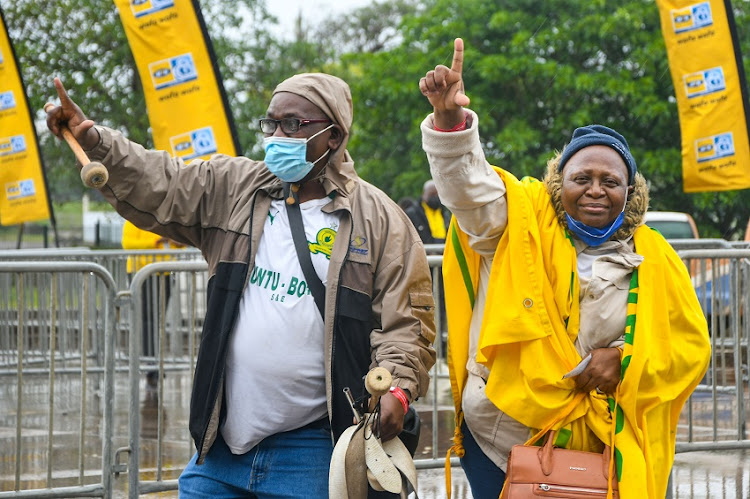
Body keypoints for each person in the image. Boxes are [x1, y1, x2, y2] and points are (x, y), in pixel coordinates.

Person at [47, 73, 436, 499]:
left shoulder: (380, 221)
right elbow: (161, 181)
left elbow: (408, 324)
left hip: (316, 452)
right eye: (270, 123)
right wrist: (96, 140)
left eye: (292, 125)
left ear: (334, 135)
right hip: (221, 449)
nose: (276, 136)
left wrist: (396, 387)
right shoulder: (234, 189)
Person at [418, 38, 711, 499]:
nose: (595, 190)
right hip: (502, 433)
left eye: (610, 181)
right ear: (560, 183)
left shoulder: (655, 256)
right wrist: (450, 124)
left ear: (629, 193)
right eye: (582, 178)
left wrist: (626, 361)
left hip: (610, 443)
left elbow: (690, 350)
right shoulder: (518, 223)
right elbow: (470, 191)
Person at [121, 220, 185, 387]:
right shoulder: (134, 218)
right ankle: (151, 363)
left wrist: (178, 243)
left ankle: (155, 361)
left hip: (164, 271)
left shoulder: (166, 216)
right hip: (142, 272)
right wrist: (157, 240)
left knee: (158, 318)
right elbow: (128, 243)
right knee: (148, 319)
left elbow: (181, 241)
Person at [402, 180, 451, 245]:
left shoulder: (445, 214)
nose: (435, 197)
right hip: (424, 252)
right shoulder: (412, 214)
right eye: (432, 194)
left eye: (437, 194)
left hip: (443, 251)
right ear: (424, 194)